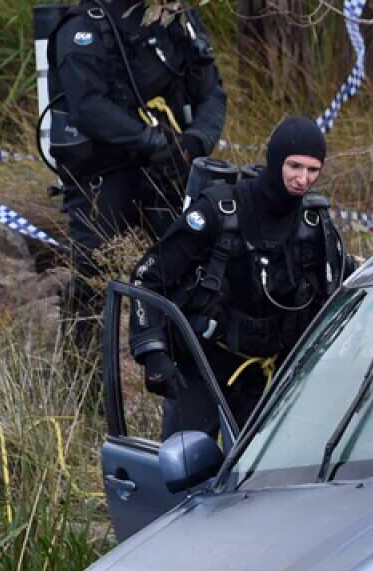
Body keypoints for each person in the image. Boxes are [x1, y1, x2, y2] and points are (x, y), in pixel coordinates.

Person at [129, 117, 349, 440]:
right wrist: (153, 353)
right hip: (202, 367)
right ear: (276, 160)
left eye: (313, 170)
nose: (303, 179)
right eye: (294, 166)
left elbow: (346, 287)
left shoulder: (312, 225)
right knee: (186, 463)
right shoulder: (218, 212)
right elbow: (146, 277)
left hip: (268, 375)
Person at [51, 0, 227, 352]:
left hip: (171, 168)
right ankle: (83, 371)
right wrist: (151, 141)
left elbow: (212, 90)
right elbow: (88, 107)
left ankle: (190, 359)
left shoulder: (178, 18)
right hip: (106, 173)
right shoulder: (85, 26)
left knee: (198, 263)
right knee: (94, 277)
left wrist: (196, 141)